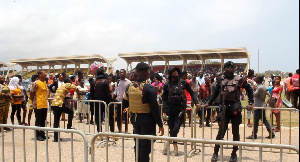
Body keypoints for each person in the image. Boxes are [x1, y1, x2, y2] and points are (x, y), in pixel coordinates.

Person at [205, 61, 254, 162]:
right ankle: (215, 153)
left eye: (231, 67)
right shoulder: (220, 79)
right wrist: (208, 103)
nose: (229, 69)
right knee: (221, 132)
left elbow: (249, 89)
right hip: (224, 108)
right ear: (224, 69)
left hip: (235, 107)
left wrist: (251, 102)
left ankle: (234, 154)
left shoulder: (240, 79)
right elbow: (215, 93)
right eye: (227, 67)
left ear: (234, 69)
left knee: (235, 132)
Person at [122, 62, 164, 162]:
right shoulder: (149, 88)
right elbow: (155, 109)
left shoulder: (129, 87)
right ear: (146, 73)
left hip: (135, 120)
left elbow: (124, 104)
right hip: (148, 121)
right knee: (146, 147)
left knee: (138, 144)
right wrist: (160, 124)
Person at [162, 67, 200, 156]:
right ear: (170, 74)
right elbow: (164, 99)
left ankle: (167, 142)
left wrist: (197, 102)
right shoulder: (167, 84)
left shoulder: (183, 83)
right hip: (170, 110)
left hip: (180, 109)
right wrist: (164, 111)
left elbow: (191, 92)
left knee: (176, 128)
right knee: (172, 128)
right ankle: (175, 148)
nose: (176, 73)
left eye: (177, 72)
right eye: (174, 72)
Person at [246, 75, 275, 139]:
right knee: (264, 120)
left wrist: (251, 89)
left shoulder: (259, 88)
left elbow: (254, 94)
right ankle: (271, 133)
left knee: (256, 121)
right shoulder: (262, 87)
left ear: (260, 80)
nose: (255, 79)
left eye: (257, 79)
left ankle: (254, 135)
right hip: (261, 104)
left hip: (258, 106)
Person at [90, 68, 112, 134]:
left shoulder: (93, 82)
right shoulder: (105, 81)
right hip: (104, 101)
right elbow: (107, 93)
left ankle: (99, 132)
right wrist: (110, 102)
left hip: (96, 102)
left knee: (98, 117)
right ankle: (111, 132)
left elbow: (91, 93)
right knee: (110, 116)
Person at [30, 70, 49, 141]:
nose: (46, 74)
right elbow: (32, 92)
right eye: (44, 73)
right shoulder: (36, 83)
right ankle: (37, 135)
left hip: (44, 104)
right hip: (38, 104)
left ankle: (42, 133)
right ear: (40, 75)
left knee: (43, 120)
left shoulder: (44, 82)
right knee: (38, 120)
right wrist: (33, 101)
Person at [113, 69, 131, 133]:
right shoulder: (117, 82)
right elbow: (116, 90)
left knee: (126, 116)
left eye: (122, 72)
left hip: (125, 102)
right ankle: (119, 129)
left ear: (125, 73)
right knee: (118, 116)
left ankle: (126, 129)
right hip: (118, 101)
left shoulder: (128, 82)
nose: (121, 74)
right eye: (120, 73)